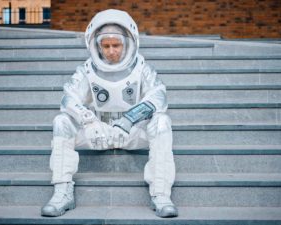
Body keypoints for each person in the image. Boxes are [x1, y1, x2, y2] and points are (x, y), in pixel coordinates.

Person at [41, 9, 178, 218]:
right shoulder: (86, 71)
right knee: (61, 122)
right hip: (99, 132)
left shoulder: (143, 69)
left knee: (161, 122)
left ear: (128, 43)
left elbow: (159, 97)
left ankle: (161, 194)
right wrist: (88, 122)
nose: (111, 51)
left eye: (116, 45)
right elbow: (68, 99)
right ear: (97, 45)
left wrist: (128, 120)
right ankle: (62, 192)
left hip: (131, 132)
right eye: (106, 46)